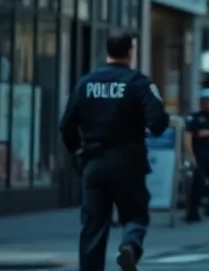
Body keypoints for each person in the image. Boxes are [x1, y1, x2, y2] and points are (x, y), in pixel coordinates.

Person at [59, 32, 169, 271]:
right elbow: (158, 121)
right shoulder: (139, 83)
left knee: (93, 226)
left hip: (94, 162)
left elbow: (66, 125)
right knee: (136, 214)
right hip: (128, 161)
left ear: (106, 51)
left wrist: (78, 151)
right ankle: (130, 245)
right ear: (130, 52)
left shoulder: (85, 83)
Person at [183, 88, 209, 222]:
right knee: (198, 183)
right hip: (199, 155)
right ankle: (192, 213)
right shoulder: (194, 118)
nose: (206, 103)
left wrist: (208, 133)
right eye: (204, 101)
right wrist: (190, 155)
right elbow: (188, 136)